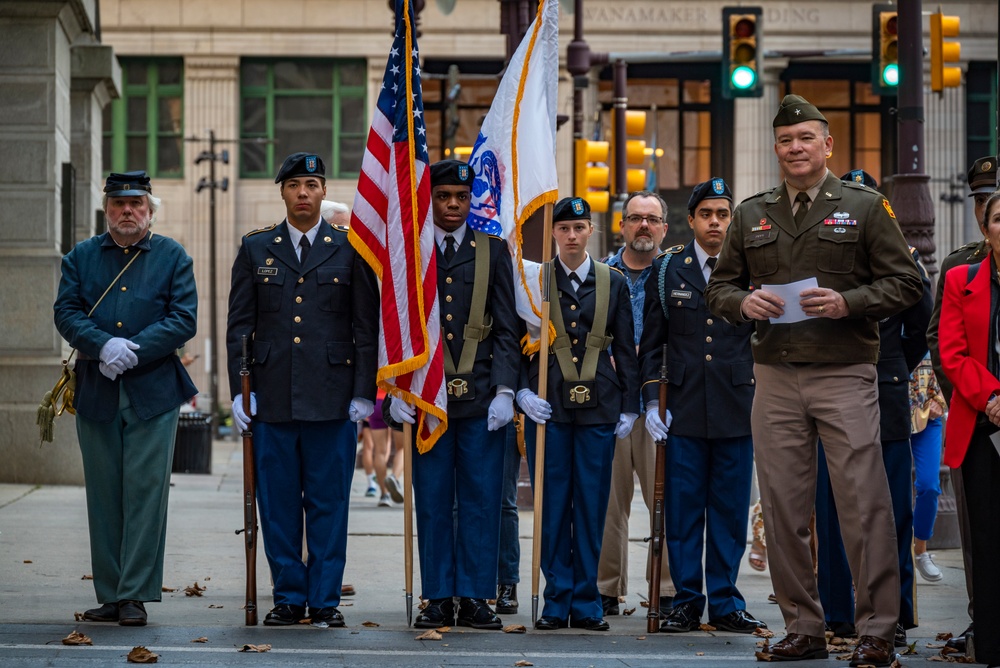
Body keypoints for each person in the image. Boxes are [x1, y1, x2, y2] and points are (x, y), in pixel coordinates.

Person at [704, 95, 922, 666]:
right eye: (785, 140)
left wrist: (848, 302)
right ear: (775, 149)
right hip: (774, 376)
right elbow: (719, 288)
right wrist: (743, 303)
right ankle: (804, 627)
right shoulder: (751, 213)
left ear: (827, 144)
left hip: (845, 372)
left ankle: (877, 629)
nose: (795, 148)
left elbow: (906, 283)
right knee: (782, 508)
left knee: (863, 502)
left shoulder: (866, 206)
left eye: (806, 138)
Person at [226, 152, 379, 627]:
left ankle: (326, 599)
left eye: (312, 184)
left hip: (333, 399)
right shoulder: (256, 248)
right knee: (278, 504)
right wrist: (239, 390)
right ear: (283, 192)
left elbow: (365, 326)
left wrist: (363, 391)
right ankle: (289, 596)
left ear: (323, 190)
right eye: (295, 185)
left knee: (329, 503)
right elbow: (239, 327)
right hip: (272, 397)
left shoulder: (350, 248)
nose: (304, 193)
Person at [54, 171, 198, 626]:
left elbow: (184, 318)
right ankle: (111, 593)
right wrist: (102, 346)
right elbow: (66, 311)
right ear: (106, 209)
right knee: (104, 494)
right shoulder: (81, 256)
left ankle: (134, 594)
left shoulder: (173, 256)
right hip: (97, 390)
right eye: (118, 204)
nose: (127, 212)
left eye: (136, 203)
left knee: (145, 493)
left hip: (152, 392)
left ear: (150, 210)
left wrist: (133, 349)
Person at [389, 159, 521, 630]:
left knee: (482, 499)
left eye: (460, 198)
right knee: (433, 497)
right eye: (443, 197)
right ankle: (439, 595)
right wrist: (395, 388)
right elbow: (398, 326)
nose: (451, 205)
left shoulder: (492, 250)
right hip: (429, 399)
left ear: (470, 201)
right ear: (431, 200)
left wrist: (507, 389)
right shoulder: (413, 254)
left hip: (482, 396)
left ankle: (477, 595)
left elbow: (507, 327)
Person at [639, 178, 764, 635]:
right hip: (684, 412)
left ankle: (727, 601)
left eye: (723, 214)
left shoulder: (752, 268)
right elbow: (652, 345)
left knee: (729, 513)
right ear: (690, 220)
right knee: (684, 511)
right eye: (707, 214)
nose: (715, 222)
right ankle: (687, 601)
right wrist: (653, 400)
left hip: (737, 407)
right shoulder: (667, 270)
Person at [813, 170, 933, 646]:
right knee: (832, 506)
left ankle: (895, 614)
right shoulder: (822, 255)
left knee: (891, 512)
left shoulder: (896, 257)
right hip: (828, 389)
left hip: (884, 394)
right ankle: (839, 611)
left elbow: (923, 321)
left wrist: (890, 367)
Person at [517, 196, 639, 632]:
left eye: (579, 227)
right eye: (564, 228)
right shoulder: (534, 281)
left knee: (591, 504)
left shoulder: (614, 281)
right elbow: (516, 341)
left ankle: (585, 599)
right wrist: (519, 392)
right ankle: (556, 598)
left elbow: (625, 347)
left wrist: (630, 405)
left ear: (592, 231)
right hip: (546, 405)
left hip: (599, 407)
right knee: (551, 504)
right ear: (553, 232)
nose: (571, 235)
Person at [926, 155, 997, 654]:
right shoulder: (959, 266)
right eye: (981, 203)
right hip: (982, 417)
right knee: (983, 538)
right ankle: (985, 623)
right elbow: (942, 345)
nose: (982, 211)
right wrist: (984, 401)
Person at [597, 189, 674, 618]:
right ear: (622, 225)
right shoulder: (601, 273)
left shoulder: (674, 273)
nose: (643, 225)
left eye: (652, 218)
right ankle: (606, 588)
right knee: (609, 502)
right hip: (609, 402)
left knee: (663, 499)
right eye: (635, 218)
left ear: (664, 226)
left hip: (660, 402)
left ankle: (664, 590)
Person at [909, 354, 946, 582]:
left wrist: (940, 399)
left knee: (929, 485)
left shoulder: (938, 320)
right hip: (892, 412)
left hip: (929, 414)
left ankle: (920, 550)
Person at [496, 416, 523, 615]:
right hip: (464, 407)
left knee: (505, 502)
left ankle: (508, 583)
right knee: (458, 503)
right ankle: (459, 585)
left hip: (507, 413)